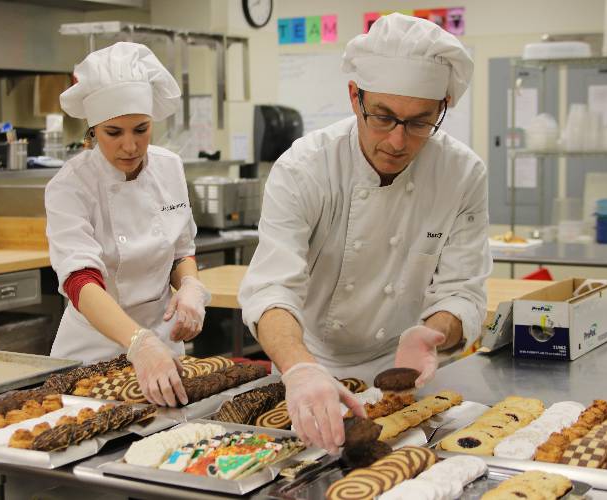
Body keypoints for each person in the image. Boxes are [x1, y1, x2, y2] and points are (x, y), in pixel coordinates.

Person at [238, 13, 492, 453]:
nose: (397, 141)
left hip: (405, 372)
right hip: (312, 366)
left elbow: (462, 292)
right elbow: (271, 289)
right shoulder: (305, 168)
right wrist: (299, 369)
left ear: (443, 107)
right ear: (355, 96)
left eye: (419, 123)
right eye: (383, 116)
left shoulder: (462, 174)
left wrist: (434, 331)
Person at [45, 42, 211, 408]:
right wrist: (139, 342)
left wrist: (190, 287)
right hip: (93, 353)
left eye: (141, 129)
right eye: (113, 133)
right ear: (92, 131)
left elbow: (180, 250)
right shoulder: (70, 185)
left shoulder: (169, 168)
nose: (130, 145)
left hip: (163, 348)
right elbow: (79, 281)